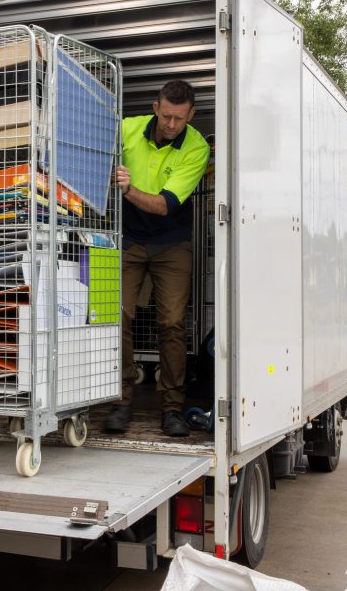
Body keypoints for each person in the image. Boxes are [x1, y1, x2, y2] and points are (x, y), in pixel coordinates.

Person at [104, 79, 210, 437]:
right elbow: (90, 143)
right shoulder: (127, 128)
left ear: (190, 115)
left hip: (171, 243)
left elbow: (165, 205)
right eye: (166, 116)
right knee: (116, 316)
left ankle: (172, 408)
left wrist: (127, 189)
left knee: (173, 323)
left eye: (180, 118)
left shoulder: (196, 147)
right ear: (155, 108)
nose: (172, 125)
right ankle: (120, 401)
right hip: (127, 239)